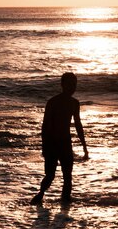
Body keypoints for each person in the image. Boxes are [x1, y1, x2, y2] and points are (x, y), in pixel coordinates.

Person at [30, 72, 88, 204]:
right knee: (50, 175)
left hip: (66, 143)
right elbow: (45, 126)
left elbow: (78, 125)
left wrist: (84, 146)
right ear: (62, 85)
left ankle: (65, 203)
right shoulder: (53, 102)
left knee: (68, 176)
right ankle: (40, 194)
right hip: (52, 144)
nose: (72, 87)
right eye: (69, 85)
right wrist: (44, 147)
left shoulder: (75, 103)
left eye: (74, 85)